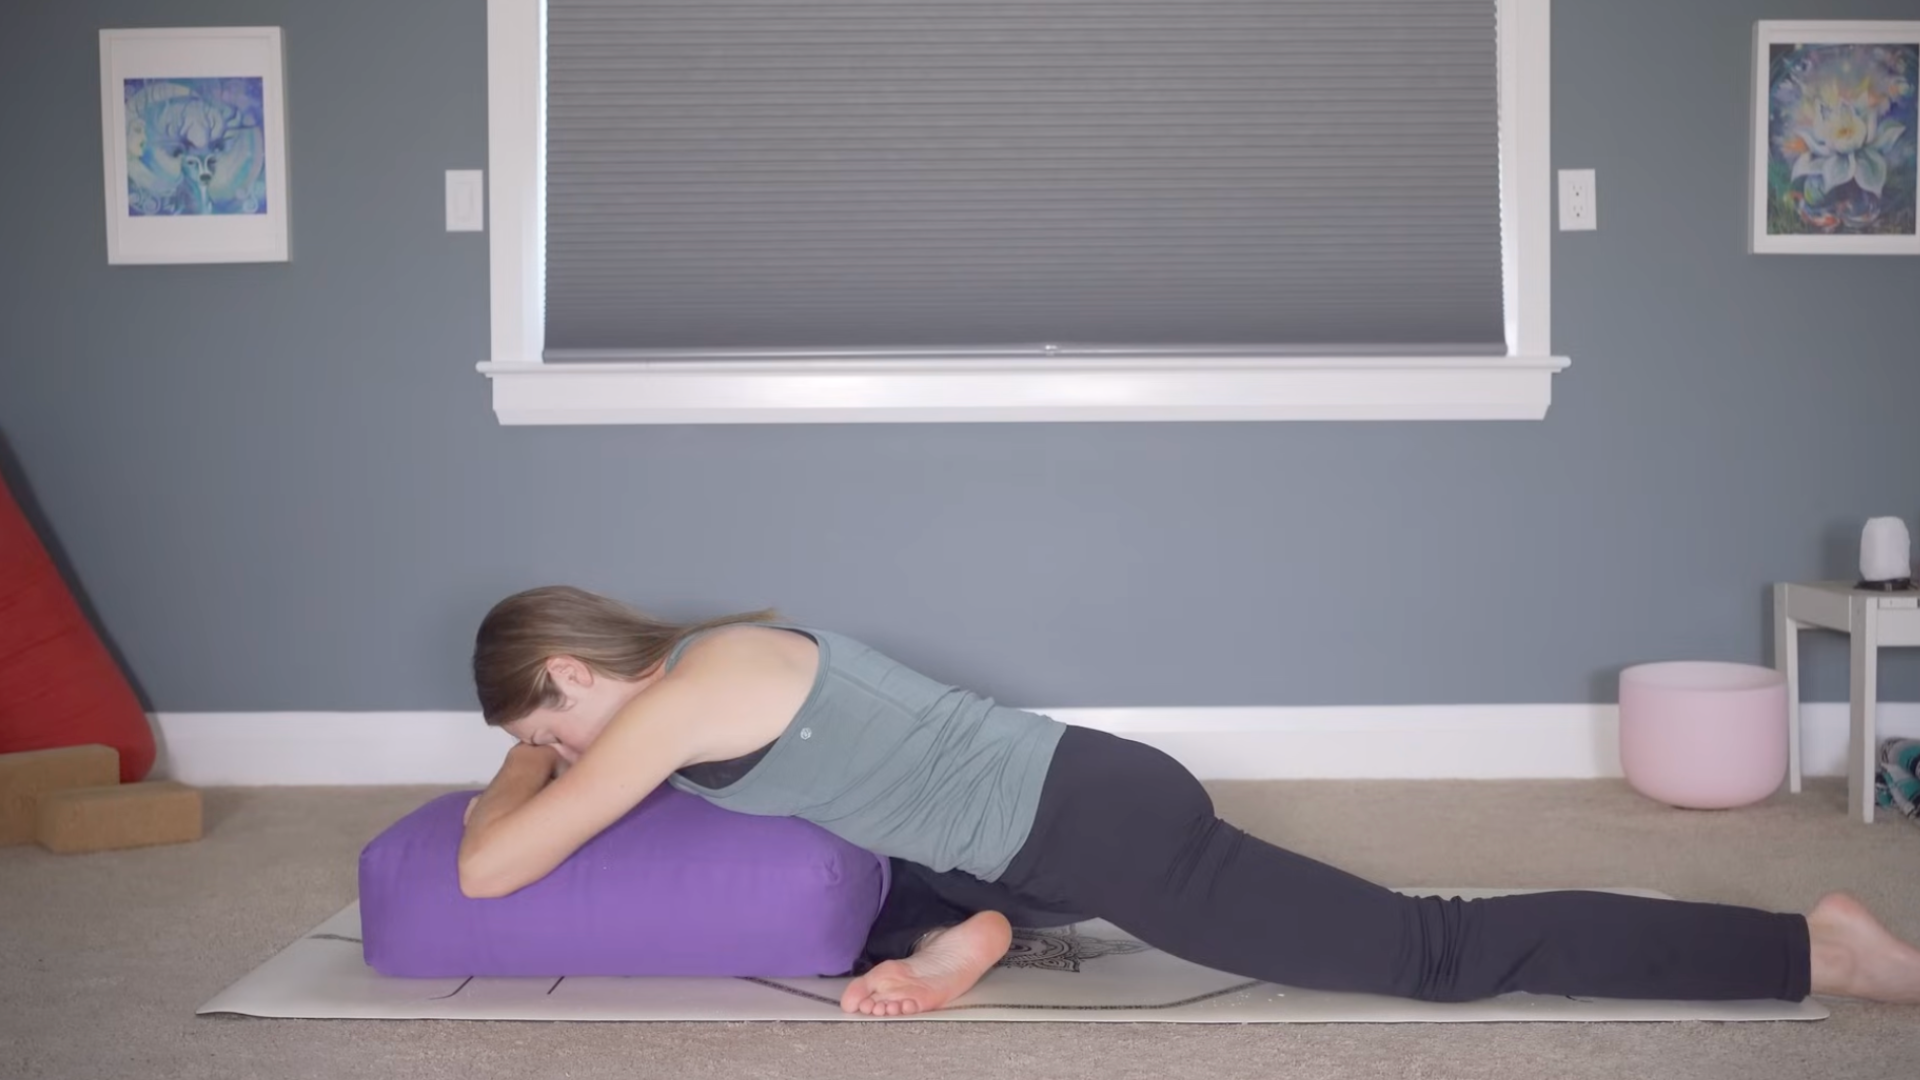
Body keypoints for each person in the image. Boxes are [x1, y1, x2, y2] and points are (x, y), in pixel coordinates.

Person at [458, 586, 1920, 1015]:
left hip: (1099, 829)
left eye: (552, 727)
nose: (566, 755)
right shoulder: (720, 645)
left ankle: (1814, 946)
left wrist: (526, 764)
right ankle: (976, 931)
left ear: (579, 678)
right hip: (1074, 790)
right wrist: (551, 734)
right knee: (863, 875)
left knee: (1438, 953)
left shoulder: (663, 714)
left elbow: (487, 878)